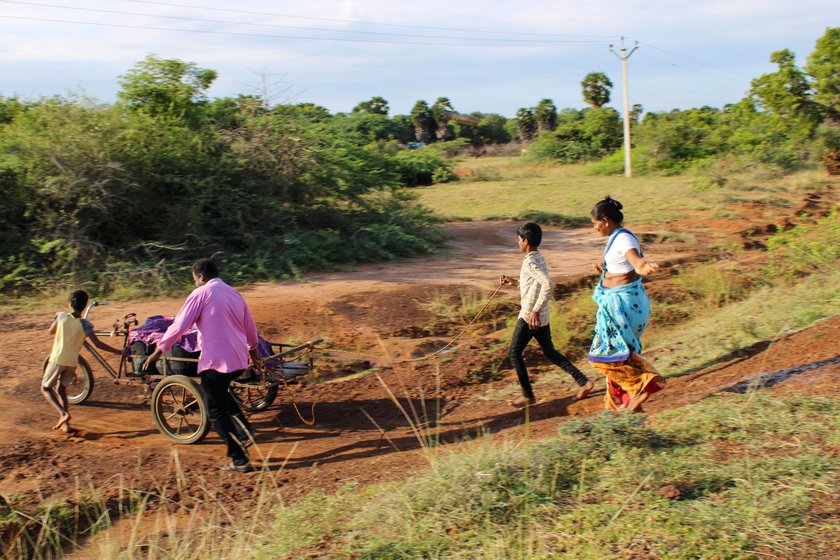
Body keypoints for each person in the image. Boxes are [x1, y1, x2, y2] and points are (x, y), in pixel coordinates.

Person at [143, 259, 263, 473]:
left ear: (201, 277)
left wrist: (158, 351)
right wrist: (254, 354)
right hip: (238, 358)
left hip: (217, 359)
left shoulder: (201, 294)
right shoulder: (234, 293)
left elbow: (179, 326)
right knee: (219, 393)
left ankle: (239, 459)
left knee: (214, 409)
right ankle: (245, 431)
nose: (195, 284)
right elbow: (251, 328)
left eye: (195, 280)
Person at [500, 222, 594, 408]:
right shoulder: (537, 257)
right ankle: (584, 382)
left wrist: (534, 310)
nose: (517, 243)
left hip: (530, 315)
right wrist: (515, 283)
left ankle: (528, 395)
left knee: (513, 353)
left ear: (526, 241)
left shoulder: (531, 261)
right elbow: (534, 282)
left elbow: (548, 284)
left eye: (518, 240)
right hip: (541, 315)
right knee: (549, 352)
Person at [588, 196, 666, 412]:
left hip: (622, 305)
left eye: (595, 224)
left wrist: (641, 266)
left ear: (605, 220)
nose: (594, 228)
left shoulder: (623, 239)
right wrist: (602, 266)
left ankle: (641, 385)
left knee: (603, 356)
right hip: (623, 304)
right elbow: (619, 262)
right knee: (619, 355)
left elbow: (634, 259)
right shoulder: (617, 237)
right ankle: (623, 409)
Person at [43, 290, 122, 432]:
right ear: (85, 307)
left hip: (57, 360)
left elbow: (50, 332)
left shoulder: (61, 316)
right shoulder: (86, 325)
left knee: (45, 388)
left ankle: (63, 414)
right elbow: (98, 344)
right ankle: (66, 426)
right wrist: (119, 352)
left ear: (69, 304)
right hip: (72, 363)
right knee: (61, 389)